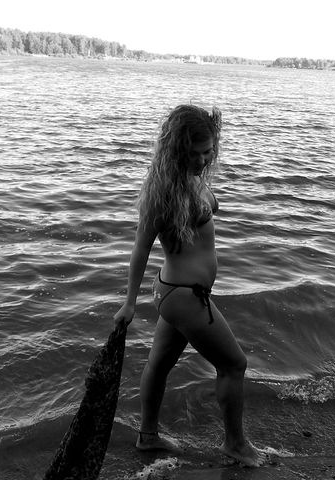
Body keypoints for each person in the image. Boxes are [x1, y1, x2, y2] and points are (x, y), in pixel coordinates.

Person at [113, 104, 266, 467]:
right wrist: (129, 303)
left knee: (159, 365)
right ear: (177, 150)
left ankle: (147, 437)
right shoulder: (161, 191)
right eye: (194, 153)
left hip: (177, 293)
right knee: (234, 364)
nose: (201, 160)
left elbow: (206, 209)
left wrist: (205, 195)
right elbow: (140, 249)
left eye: (207, 152)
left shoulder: (192, 179)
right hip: (184, 296)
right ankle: (235, 444)